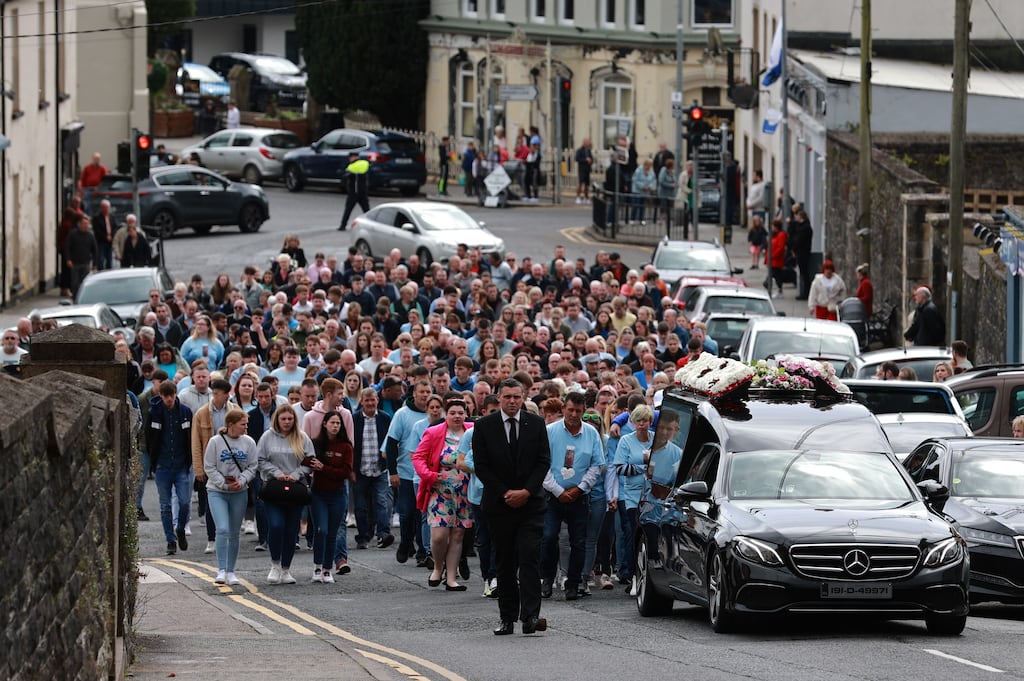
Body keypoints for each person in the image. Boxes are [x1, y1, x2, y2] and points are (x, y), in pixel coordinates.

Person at [472, 378, 551, 636]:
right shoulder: (484, 426)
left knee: (529, 556)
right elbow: (482, 465)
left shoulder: (536, 424)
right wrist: (506, 492)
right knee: (504, 562)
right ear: (499, 398)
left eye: (517, 397)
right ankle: (507, 617)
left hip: (531, 503)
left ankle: (530, 616)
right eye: (507, 397)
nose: (513, 401)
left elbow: (543, 461)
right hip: (500, 503)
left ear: (523, 397)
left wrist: (526, 491)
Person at [540, 392, 603, 601]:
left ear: (584, 411)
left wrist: (580, 488)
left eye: (578, 410)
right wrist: (558, 490)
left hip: (579, 495)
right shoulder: (550, 431)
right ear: (563, 410)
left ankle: (573, 583)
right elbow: (542, 464)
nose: (574, 414)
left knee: (579, 541)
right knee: (549, 537)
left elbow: (597, 465)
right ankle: (547, 578)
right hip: (553, 495)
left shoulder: (592, 434)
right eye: (570, 410)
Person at [413, 396, 473, 591]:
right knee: (439, 536)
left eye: (460, 413)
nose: (457, 416)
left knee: (457, 535)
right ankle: (438, 567)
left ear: (466, 414)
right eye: (452, 413)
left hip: (464, 492)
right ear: (445, 415)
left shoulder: (472, 431)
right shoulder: (433, 433)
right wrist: (429, 475)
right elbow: (419, 458)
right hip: (440, 491)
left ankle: (452, 577)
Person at [256, 403, 315, 585]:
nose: (287, 422)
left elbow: (309, 460)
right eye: (283, 419)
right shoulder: (267, 437)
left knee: (291, 530)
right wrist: (277, 473)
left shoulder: (302, 437)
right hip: (273, 488)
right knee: (276, 525)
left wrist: (295, 475)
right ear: (277, 420)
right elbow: (260, 460)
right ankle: (274, 564)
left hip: (295, 489)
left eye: (290, 419)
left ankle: (286, 569)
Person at [203, 409, 258, 585]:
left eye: (246, 424)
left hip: (239, 492)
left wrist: (241, 481)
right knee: (223, 528)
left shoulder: (249, 442)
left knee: (234, 533)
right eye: (243, 424)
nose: (246, 427)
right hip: (217, 492)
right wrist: (223, 483)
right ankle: (221, 570)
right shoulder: (215, 441)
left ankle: (231, 571)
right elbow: (209, 467)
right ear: (231, 424)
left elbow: (252, 466)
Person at [146, 381, 194, 556]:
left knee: (184, 502)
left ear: (175, 394)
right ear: (161, 396)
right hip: (163, 465)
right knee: (165, 506)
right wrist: (153, 460)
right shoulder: (154, 413)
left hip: (181, 464)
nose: (169, 399)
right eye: (165, 396)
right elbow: (149, 437)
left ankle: (180, 528)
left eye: (171, 395)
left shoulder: (186, 412)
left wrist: (190, 460)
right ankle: (170, 540)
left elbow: (190, 437)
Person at [607, 404, 652, 589]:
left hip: (653, 495)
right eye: (638, 420)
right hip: (632, 495)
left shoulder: (656, 439)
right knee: (633, 535)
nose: (642, 424)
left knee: (651, 536)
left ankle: (649, 577)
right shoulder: (625, 440)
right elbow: (620, 467)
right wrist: (643, 468)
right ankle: (634, 576)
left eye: (645, 420)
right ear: (633, 422)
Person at [190, 378, 237, 554]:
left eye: (220, 394)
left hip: (230, 464)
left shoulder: (235, 412)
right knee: (211, 504)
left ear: (226, 395)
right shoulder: (201, 413)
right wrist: (198, 468)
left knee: (231, 502)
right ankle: (211, 539)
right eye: (214, 393)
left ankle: (228, 537)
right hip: (210, 464)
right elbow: (195, 442)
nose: (216, 397)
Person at [309, 411, 355, 583]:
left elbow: (345, 472)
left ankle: (328, 569)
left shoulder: (346, 446)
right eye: (332, 422)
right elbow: (309, 463)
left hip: (338, 494)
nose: (335, 426)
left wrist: (324, 469)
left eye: (338, 423)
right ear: (324, 424)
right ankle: (317, 566)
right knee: (321, 530)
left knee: (332, 533)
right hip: (319, 493)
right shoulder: (316, 443)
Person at [351, 387, 394, 550]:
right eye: (366, 400)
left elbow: (390, 442)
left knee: (382, 502)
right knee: (361, 506)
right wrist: (352, 469)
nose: (370, 403)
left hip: (379, 469)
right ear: (361, 401)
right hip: (360, 469)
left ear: (377, 400)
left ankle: (383, 534)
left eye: (372, 400)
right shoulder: (354, 419)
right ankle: (363, 536)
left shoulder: (384, 418)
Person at [64, 214, 99, 297]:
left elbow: (95, 250)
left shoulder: (90, 236)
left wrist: (94, 263)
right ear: (79, 224)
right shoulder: (73, 234)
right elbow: (67, 247)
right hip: (75, 262)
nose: (86, 226)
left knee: (85, 282)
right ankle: (75, 296)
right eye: (84, 224)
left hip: (86, 262)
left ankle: (84, 297)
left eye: (87, 224)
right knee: (75, 282)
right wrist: (68, 259)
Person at [339, 151, 370, 231]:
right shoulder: (365, 163)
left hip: (353, 192)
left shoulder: (352, 166)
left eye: (350, 157)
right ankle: (371, 225)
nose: (350, 159)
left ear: (354, 157)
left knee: (348, 209)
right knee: (367, 210)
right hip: (363, 191)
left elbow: (345, 176)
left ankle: (343, 225)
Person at [788, 208, 814, 300]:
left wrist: (794, 248)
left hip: (803, 253)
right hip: (802, 252)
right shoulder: (804, 227)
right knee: (803, 273)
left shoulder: (805, 228)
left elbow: (799, 240)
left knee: (804, 274)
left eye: (797, 216)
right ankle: (805, 293)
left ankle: (806, 293)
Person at [78, 151, 108, 215]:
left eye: (98, 159)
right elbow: (82, 179)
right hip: (88, 189)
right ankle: (87, 217)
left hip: (99, 190)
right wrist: (81, 190)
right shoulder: (87, 168)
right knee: (87, 205)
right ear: (92, 159)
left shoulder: (102, 168)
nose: (96, 161)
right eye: (95, 159)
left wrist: (99, 188)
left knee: (99, 205)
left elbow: (105, 180)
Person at [765, 218, 788, 298]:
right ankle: (777, 290)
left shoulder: (781, 235)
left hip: (776, 260)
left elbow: (780, 248)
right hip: (772, 260)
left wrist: (772, 256)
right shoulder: (774, 235)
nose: (772, 228)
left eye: (773, 227)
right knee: (776, 276)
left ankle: (774, 290)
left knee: (773, 275)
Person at [91, 199, 116, 271]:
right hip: (101, 241)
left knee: (109, 259)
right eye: (104, 207)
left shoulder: (112, 217)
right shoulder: (97, 218)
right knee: (100, 259)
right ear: (101, 208)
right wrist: (105, 237)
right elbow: (97, 230)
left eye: (107, 208)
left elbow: (115, 227)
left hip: (110, 241)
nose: (106, 209)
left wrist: (111, 236)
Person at [656, 159, 676, 230]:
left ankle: (668, 219)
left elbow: (674, 179)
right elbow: (661, 181)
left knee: (669, 206)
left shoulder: (672, 172)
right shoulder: (663, 170)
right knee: (663, 206)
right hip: (663, 192)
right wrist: (671, 185)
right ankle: (661, 220)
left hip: (670, 193)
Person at [574, 138, 593, 204]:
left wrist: (591, 161)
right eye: (588, 142)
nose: (589, 143)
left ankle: (586, 197)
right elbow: (577, 158)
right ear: (584, 143)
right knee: (580, 183)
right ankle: (578, 197)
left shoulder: (589, 150)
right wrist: (585, 160)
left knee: (587, 184)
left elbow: (591, 158)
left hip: (587, 169)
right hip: (582, 169)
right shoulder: (579, 150)